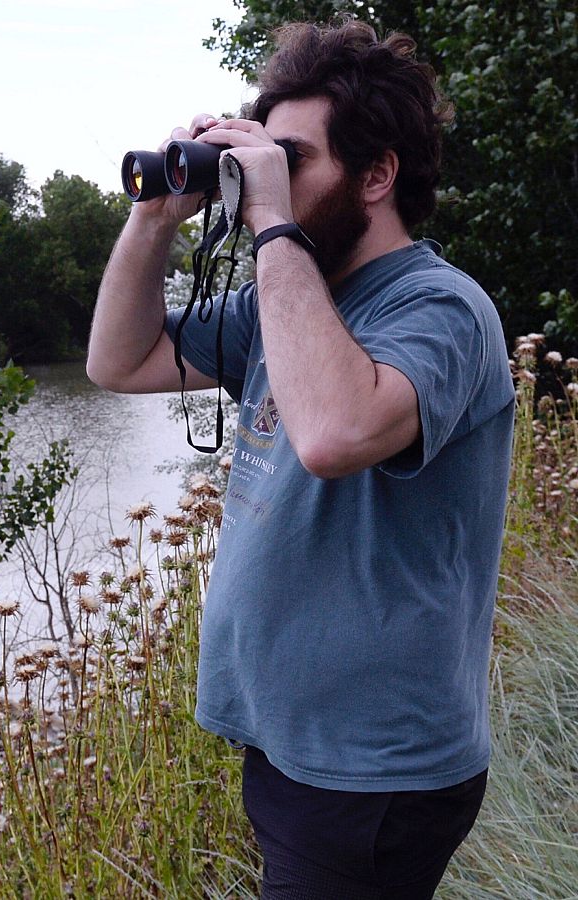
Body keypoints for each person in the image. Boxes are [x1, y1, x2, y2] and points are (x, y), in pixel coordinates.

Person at [85, 18, 514, 899]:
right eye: (260, 160)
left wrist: (273, 223)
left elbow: (331, 435)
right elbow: (117, 362)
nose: (260, 184)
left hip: (375, 771)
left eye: (292, 159)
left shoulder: (442, 310)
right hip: (295, 748)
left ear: (378, 174)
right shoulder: (285, 299)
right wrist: (155, 216)